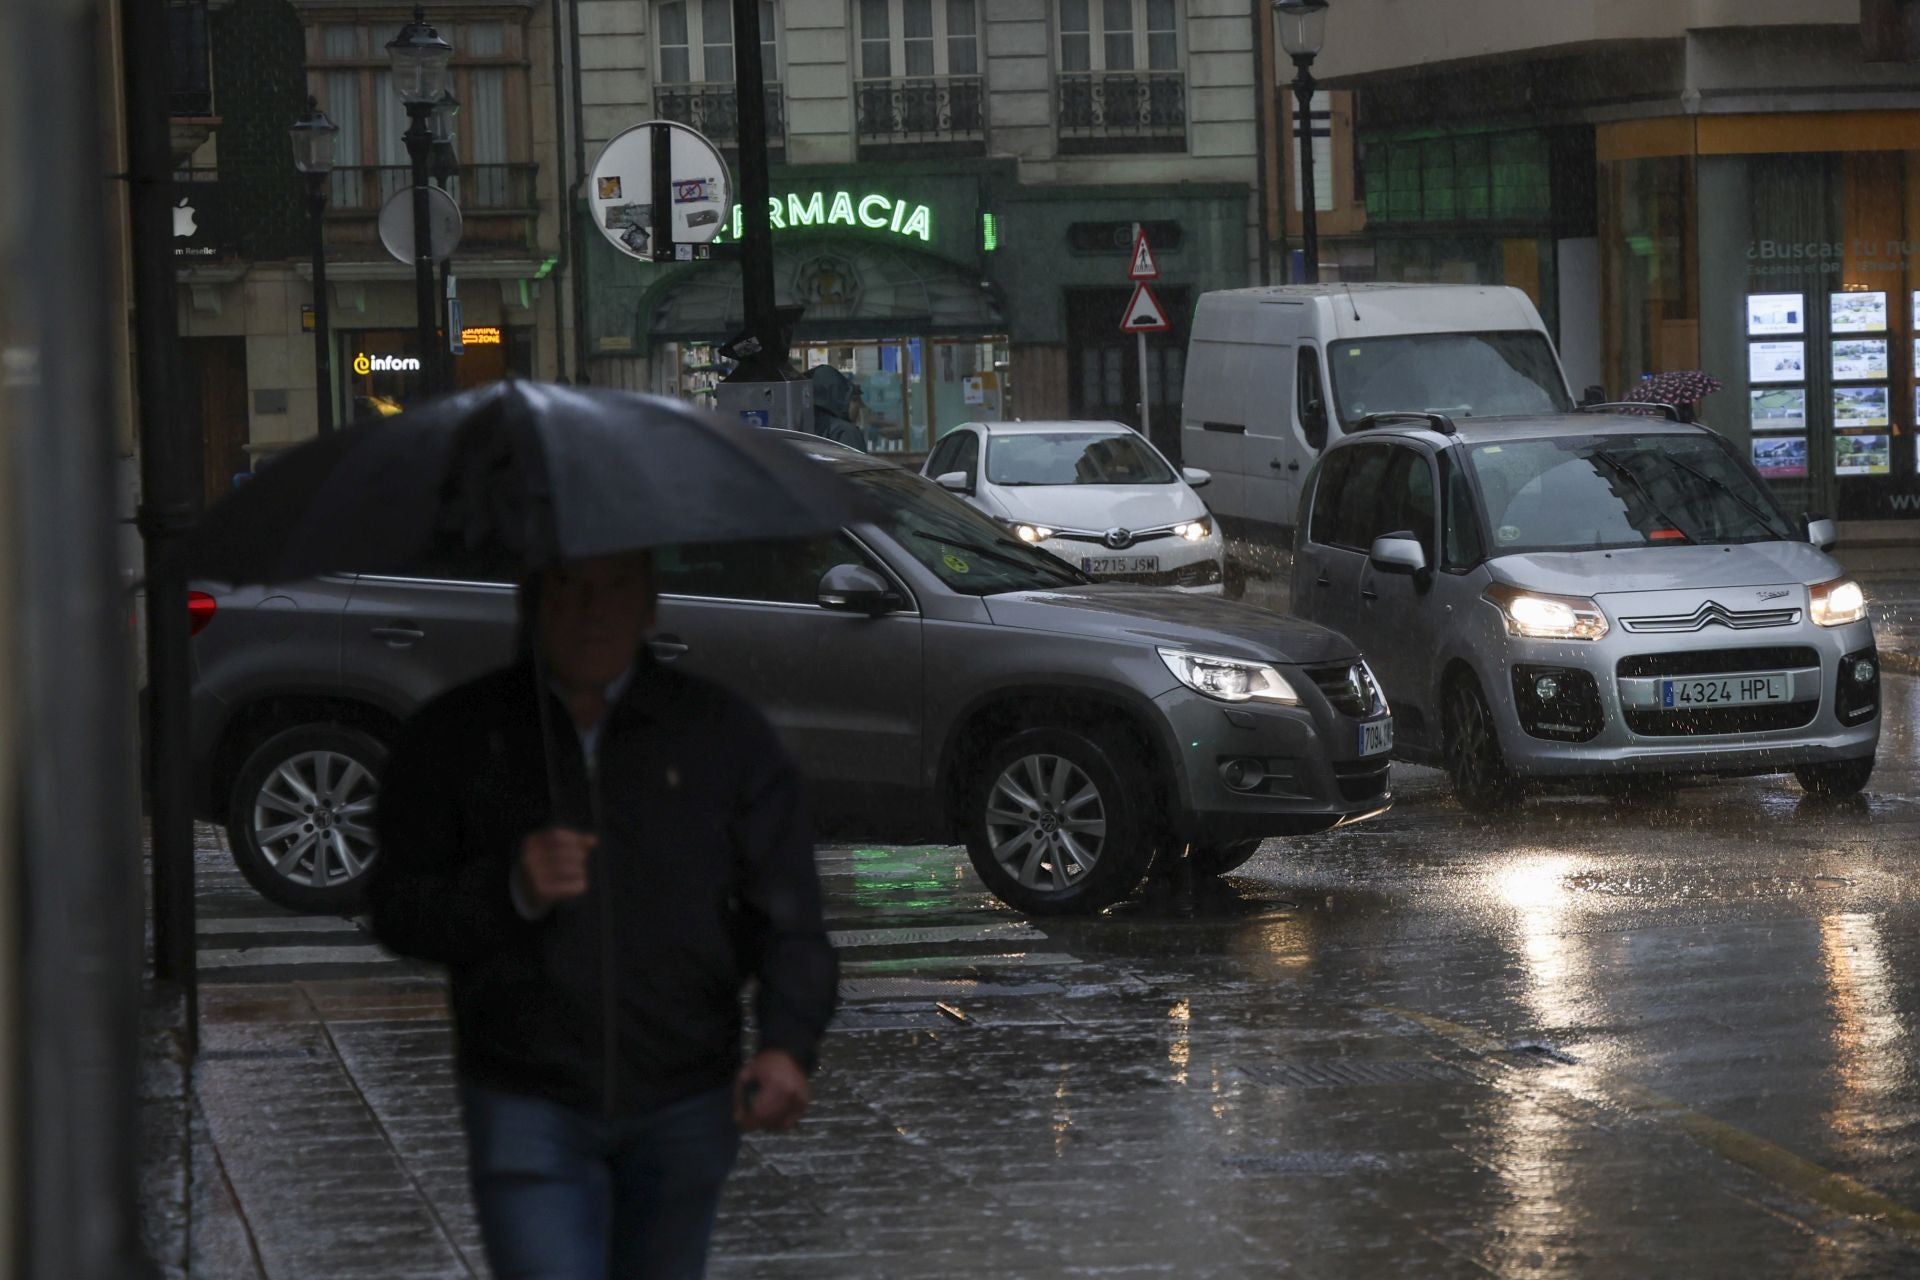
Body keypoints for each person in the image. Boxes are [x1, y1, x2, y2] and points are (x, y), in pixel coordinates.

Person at [367, 549, 838, 1280]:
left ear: (648, 605)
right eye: (570, 587)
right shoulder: (459, 736)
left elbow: (788, 911)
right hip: (526, 1093)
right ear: (533, 601)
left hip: (684, 1095)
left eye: (616, 587)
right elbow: (396, 905)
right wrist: (509, 892)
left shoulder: (717, 734)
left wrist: (786, 1043)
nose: (594, 610)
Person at [806, 364, 867, 451]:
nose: (861, 405)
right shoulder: (846, 432)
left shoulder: (801, 428)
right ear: (840, 399)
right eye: (855, 399)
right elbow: (858, 464)